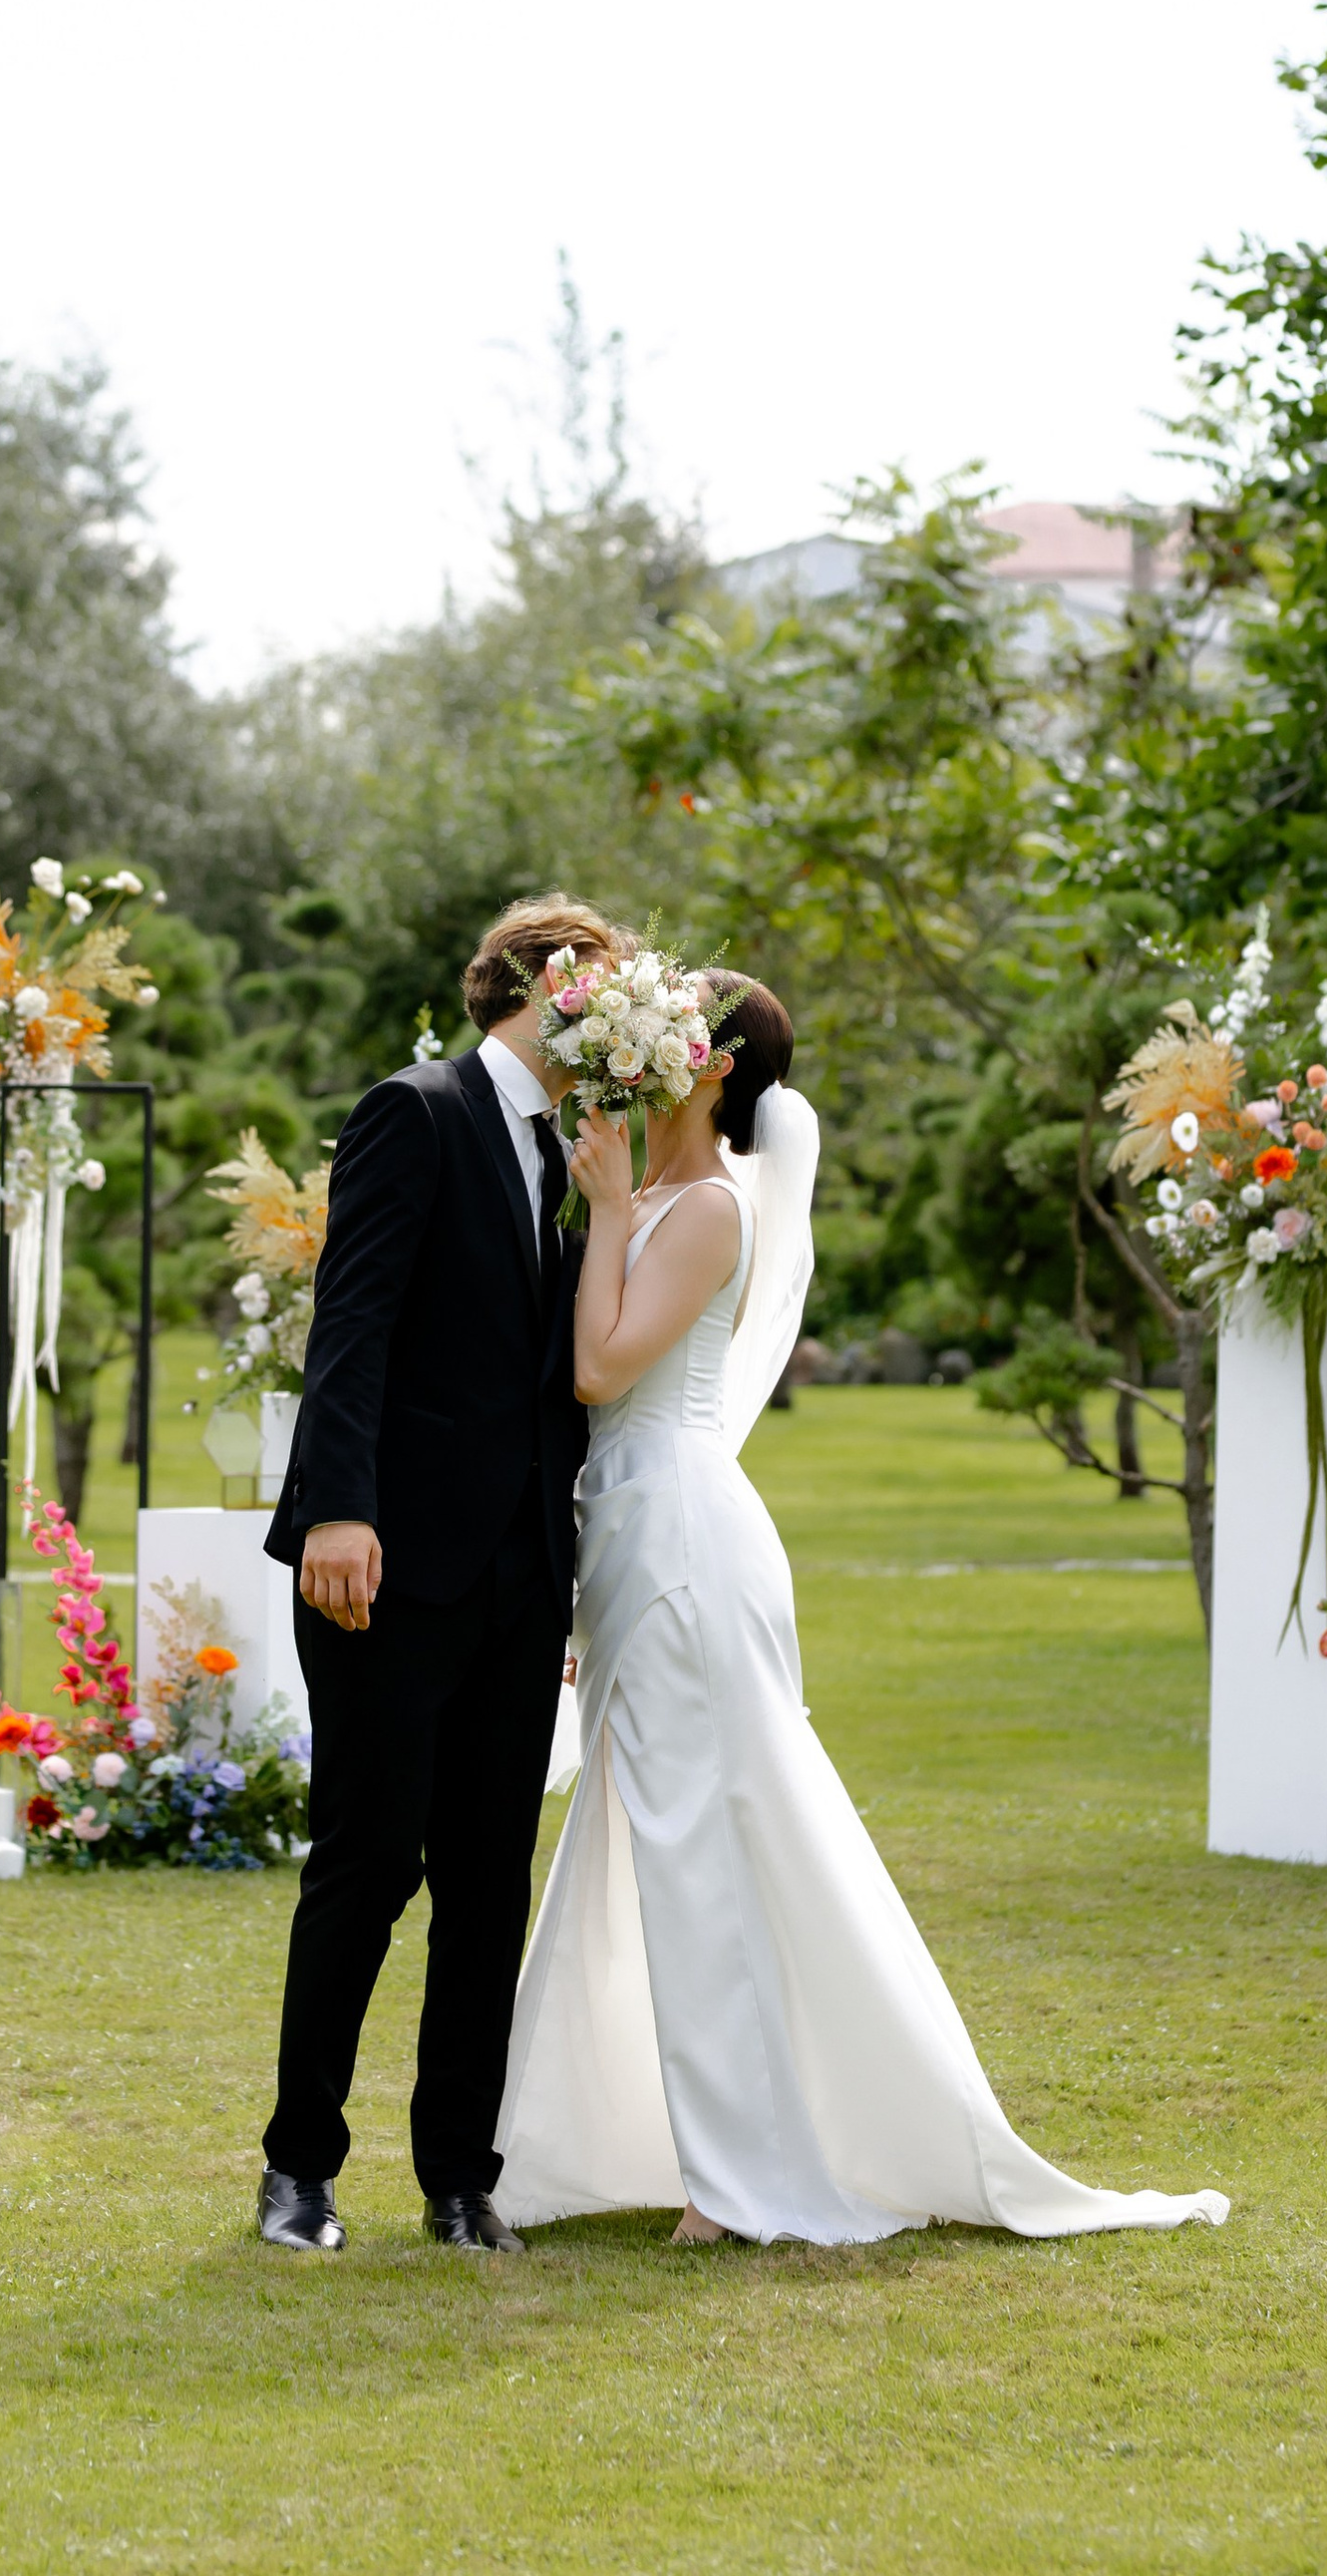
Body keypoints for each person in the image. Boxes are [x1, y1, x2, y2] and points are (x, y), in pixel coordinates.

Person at [493, 971, 1228, 2246]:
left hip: (678, 1537)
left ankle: (734, 2180)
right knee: (645, 1835)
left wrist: (604, 1206)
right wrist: (609, 1203)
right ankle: (612, 2140)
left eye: (667, 1034)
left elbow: (601, 1363)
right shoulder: (652, 1193)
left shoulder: (712, 1205)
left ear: (713, 1066)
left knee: (697, 1842)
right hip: (622, 1533)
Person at [253, 895, 616, 2256]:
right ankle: (300, 2169)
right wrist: (341, 1511)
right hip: (384, 1565)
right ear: (551, 989)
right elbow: (353, 1322)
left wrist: (564, 1571)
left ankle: (462, 2177)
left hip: (522, 1576)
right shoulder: (417, 1110)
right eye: (616, 993)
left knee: (485, 1878)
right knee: (366, 1864)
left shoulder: (576, 1154)